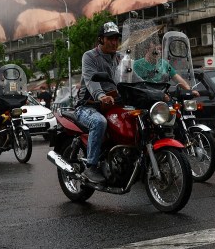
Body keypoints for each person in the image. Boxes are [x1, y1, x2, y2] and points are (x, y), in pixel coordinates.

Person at [76, 22, 124, 184]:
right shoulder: (90, 56)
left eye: (116, 39)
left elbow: (133, 77)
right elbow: (91, 80)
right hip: (89, 105)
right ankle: (91, 166)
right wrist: (101, 95)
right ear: (101, 39)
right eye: (110, 39)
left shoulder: (121, 58)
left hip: (114, 104)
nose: (114, 42)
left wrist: (154, 91)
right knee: (99, 122)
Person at [132, 44, 197, 95]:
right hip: (147, 97)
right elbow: (138, 85)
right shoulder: (137, 64)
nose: (158, 52)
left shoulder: (163, 64)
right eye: (155, 50)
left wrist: (189, 91)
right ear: (147, 51)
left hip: (163, 95)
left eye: (160, 50)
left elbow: (176, 77)